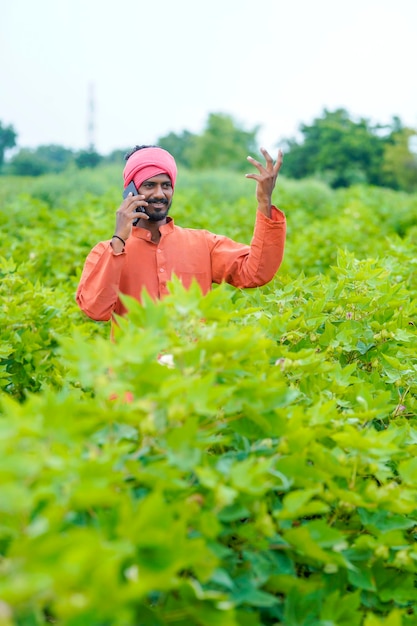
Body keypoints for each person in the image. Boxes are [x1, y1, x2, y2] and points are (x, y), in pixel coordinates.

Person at [76, 144, 286, 324]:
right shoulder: (108, 251)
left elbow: (256, 272)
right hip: (136, 370)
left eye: (166, 185)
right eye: (149, 185)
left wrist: (264, 202)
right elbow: (95, 309)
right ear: (130, 190)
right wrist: (119, 239)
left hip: (190, 368)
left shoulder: (203, 243)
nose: (159, 194)